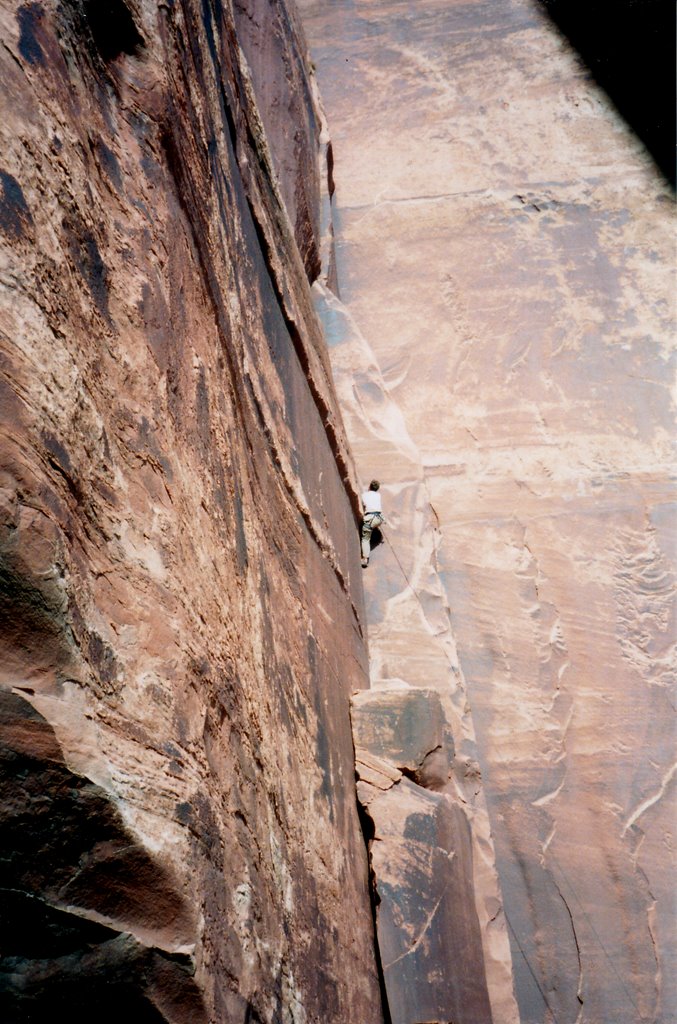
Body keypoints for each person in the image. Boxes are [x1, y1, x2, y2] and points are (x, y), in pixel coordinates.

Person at [361, 480, 385, 568]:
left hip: (370, 518)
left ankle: (365, 559)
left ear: (369, 486)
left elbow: (364, 503)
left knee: (365, 538)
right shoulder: (378, 495)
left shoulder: (364, 495)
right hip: (379, 518)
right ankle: (375, 532)